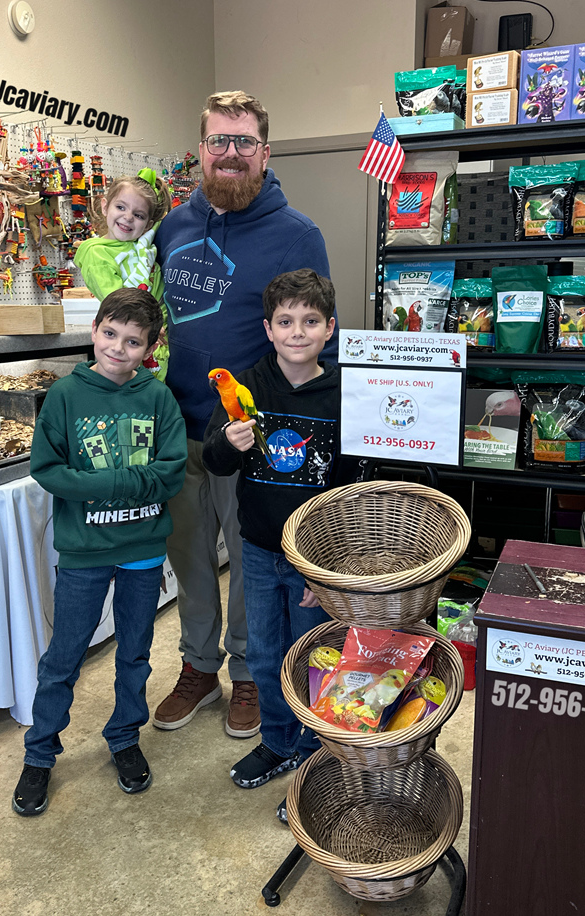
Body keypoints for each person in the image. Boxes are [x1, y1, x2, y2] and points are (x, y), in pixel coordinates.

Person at [152, 90, 337, 738]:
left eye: (244, 142)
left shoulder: (298, 235)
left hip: (253, 435)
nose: (230, 154)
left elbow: (318, 341)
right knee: (190, 560)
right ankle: (198, 666)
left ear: (265, 151)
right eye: (218, 141)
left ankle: (250, 673)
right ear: (201, 149)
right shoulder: (172, 227)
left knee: (251, 563)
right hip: (179, 428)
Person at [12, 288, 186, 816]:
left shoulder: (158, 397)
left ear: (150, 348)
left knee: (135, 652)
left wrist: (100, 484)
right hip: (84, 551)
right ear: (94, 331)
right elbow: (48, 469)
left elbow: (171, 472)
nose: (118, 348)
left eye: (133, 341)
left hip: (142, 550)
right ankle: (40, 753)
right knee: (63, 656)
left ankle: (124, 736)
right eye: (110, 334)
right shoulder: (65, 395)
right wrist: (124, 482)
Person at [203, 269, 351, 819]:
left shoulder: (344, 392)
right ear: (268, 329)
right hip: (260, 550)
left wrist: (326, 566)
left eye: (310, 321)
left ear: (329, 328)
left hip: (315, 557)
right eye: (285, 322)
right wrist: (228, 440)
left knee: (315, 658)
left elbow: (352, 485)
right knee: (264, 655)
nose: (297, 332)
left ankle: (316, 755)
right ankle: (279, 741)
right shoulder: (247, 384)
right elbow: (214, 460)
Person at [74, 169, 173, 381]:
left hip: (163, 341)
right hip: (135, 340)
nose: (128, 217)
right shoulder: (96, 252)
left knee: (158, 396)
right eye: (120, 207)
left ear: (148, 225)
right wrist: (152, 325)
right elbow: (117, 301)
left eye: (138, 215)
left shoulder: (142, 246)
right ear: (105, 206)